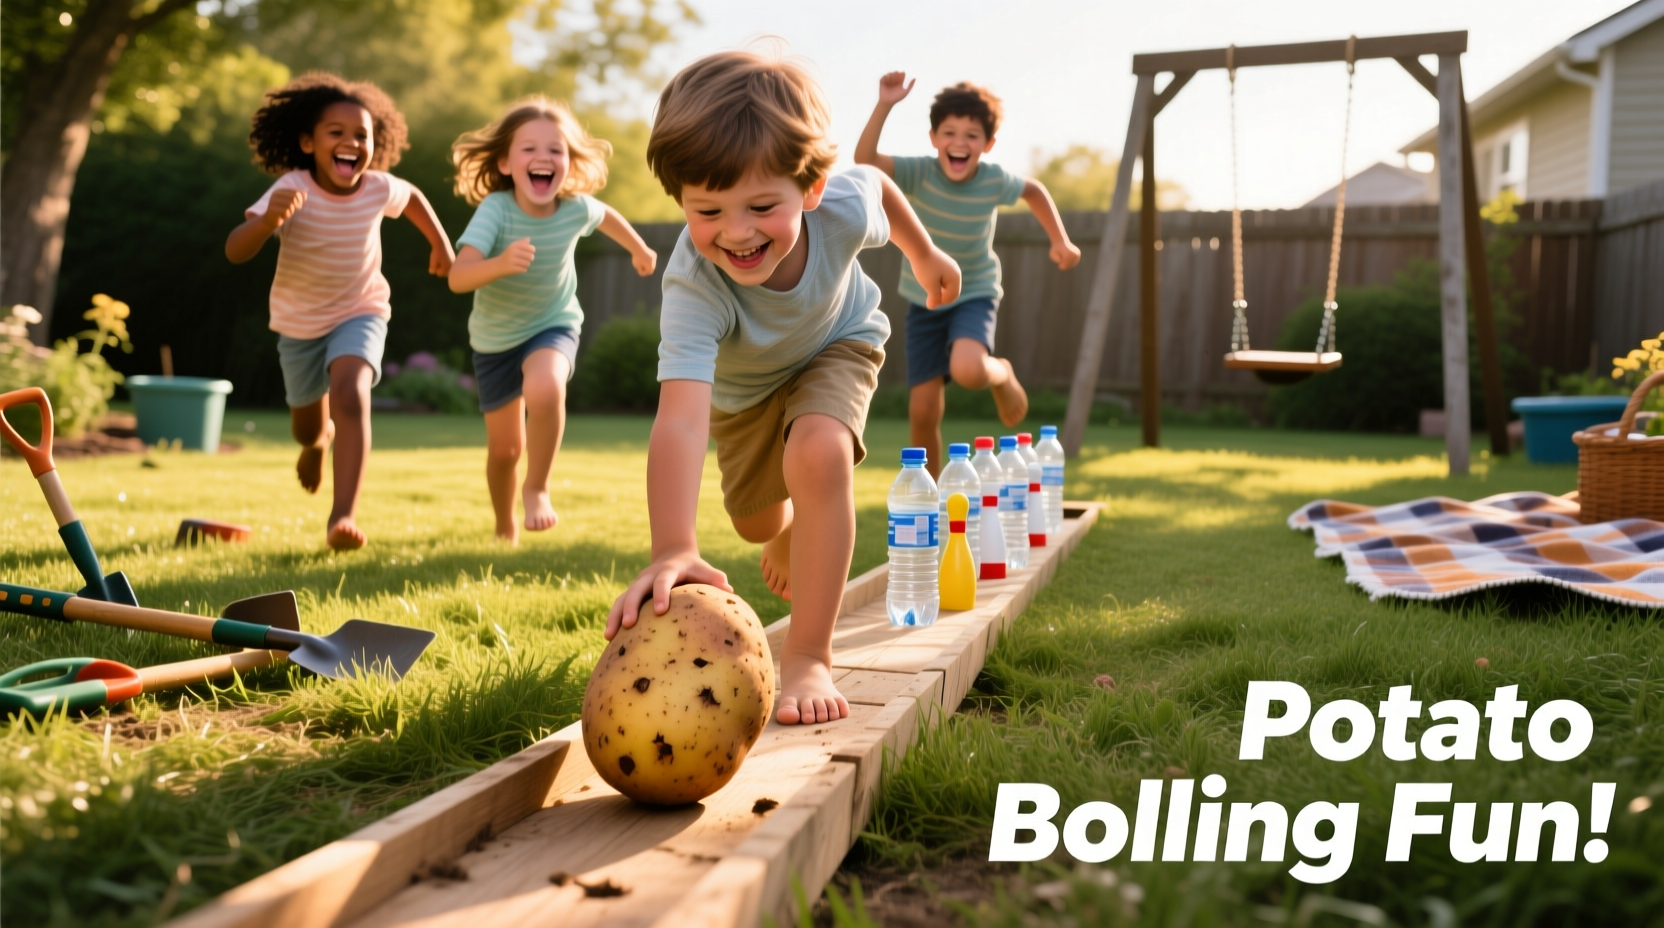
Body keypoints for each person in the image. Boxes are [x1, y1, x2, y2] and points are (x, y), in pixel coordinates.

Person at [604, 51, 961, 725]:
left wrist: (925, 254)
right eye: (708, 210)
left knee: (819, 456)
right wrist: (674, 546)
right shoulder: (693, 284)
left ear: (811, 188)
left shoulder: (843, 207)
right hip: (744, 396)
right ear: (680, 199)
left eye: (762, 206)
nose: (737, 231)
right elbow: (681, 419)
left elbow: (881, 189)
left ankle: (809, 656)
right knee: (758, 523)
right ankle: (787, 526)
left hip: (837, 343)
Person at [226, 73, 454, 550]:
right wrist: (268, 221)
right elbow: (235, 251)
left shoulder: (376, 187)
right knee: (306, 426)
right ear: (308, 142)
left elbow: (412, 197)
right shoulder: (291, 187)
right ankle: (317, 442)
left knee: (350, 392)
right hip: (299, 325)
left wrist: (440, 244)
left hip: (361, 310)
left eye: (362, 135)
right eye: (337, 132)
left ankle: (342, 516)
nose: (351, 142)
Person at [448, 97, 657, 542]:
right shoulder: (496, 210)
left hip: (553, 323)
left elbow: (606, 216)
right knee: (505, 451)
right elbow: (458, 276)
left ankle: (538, 488)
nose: (543, 157)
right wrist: (499, 263)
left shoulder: (575, 208)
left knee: (545, 387)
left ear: (569, 163)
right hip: (495, 341)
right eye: (529, 149)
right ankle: (504, 526)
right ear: (505, 163)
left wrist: (638, 249)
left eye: (555, 150)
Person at [855, 74, 1081, 476]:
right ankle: (931, 494)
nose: (959, 142)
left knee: (969, 370)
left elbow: (1033, 190)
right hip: (924, 299)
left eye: (972, 135)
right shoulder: (919, 173)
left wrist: (1059, 240)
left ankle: (1001, 372)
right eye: (949, 133)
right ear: (933, 138)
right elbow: (866, 160)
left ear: (988, 144)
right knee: (922, 411)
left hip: (974, 292)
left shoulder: (992, 180)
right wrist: (885, 104)